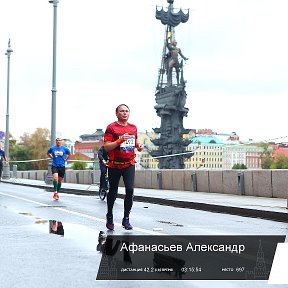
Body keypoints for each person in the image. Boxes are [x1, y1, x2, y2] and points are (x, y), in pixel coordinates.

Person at [104, 104, 143, 230]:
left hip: (129, 164)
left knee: (130, 190)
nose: (124, 113)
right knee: (113, 191)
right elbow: (107, 146)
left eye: (126, 111)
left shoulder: (133, 128)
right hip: (114, 164)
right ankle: (110, 215)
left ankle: (126, 218)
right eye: (122, 111)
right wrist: (119, 141)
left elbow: (135, 142)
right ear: (116, 113)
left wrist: (139, 145)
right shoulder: (111, 127)